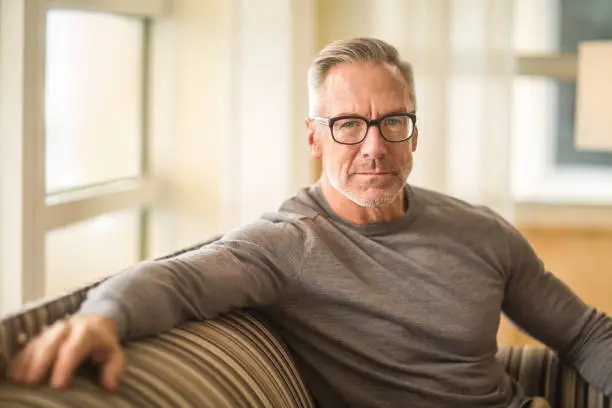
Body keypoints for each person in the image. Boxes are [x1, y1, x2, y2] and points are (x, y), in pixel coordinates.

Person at [8, 37, 612, 408]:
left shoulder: (482, 232)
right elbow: (179, 280)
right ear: (314, 138)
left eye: (392, 122)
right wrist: (101, 319)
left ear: (415, 133)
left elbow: (584, 334)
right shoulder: (287, 244)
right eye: (348, 124)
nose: (373, 147)